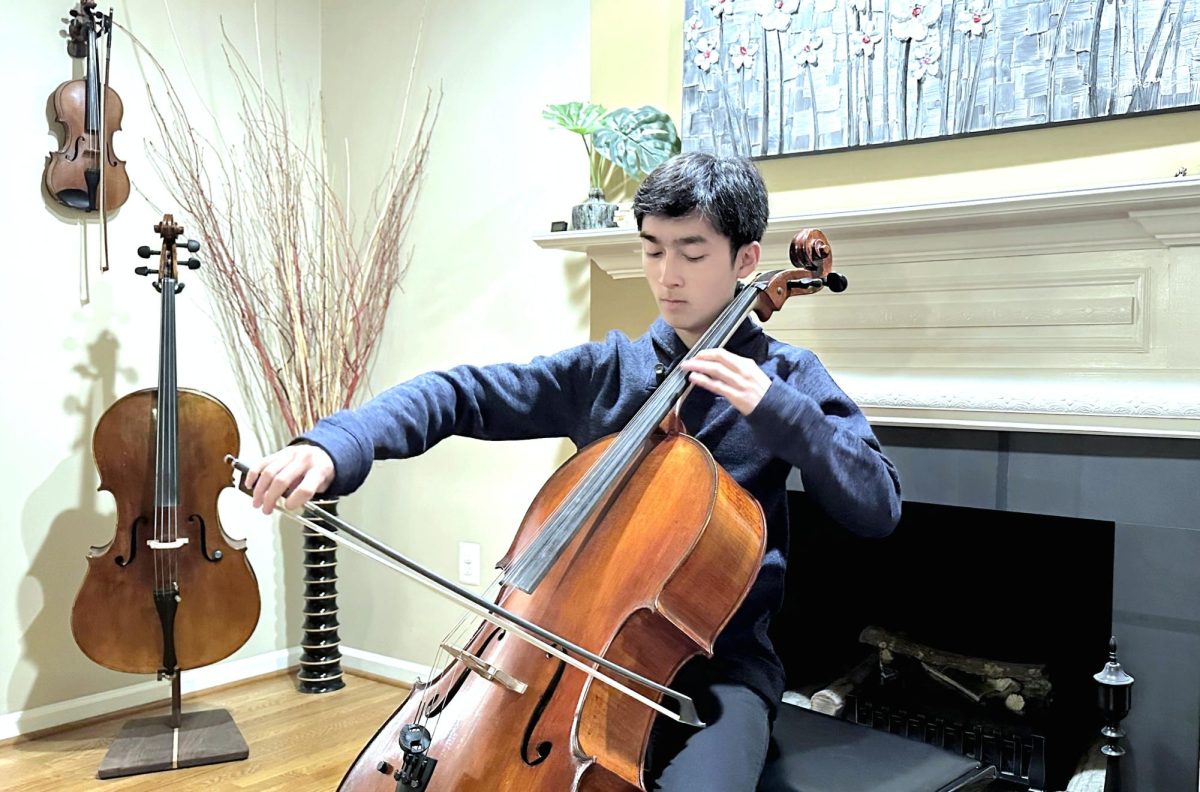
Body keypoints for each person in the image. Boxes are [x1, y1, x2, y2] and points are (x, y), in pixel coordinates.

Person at [246, 151, 902, 790]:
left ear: (747, 260)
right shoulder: (605, 373)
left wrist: (782, 414)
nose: (667, 274)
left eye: (692, 252)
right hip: (560, 657)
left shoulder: (787, 380)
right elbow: (457, 394)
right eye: (652, 249)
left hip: (718, 674)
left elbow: (877, 507)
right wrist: (336, 443)